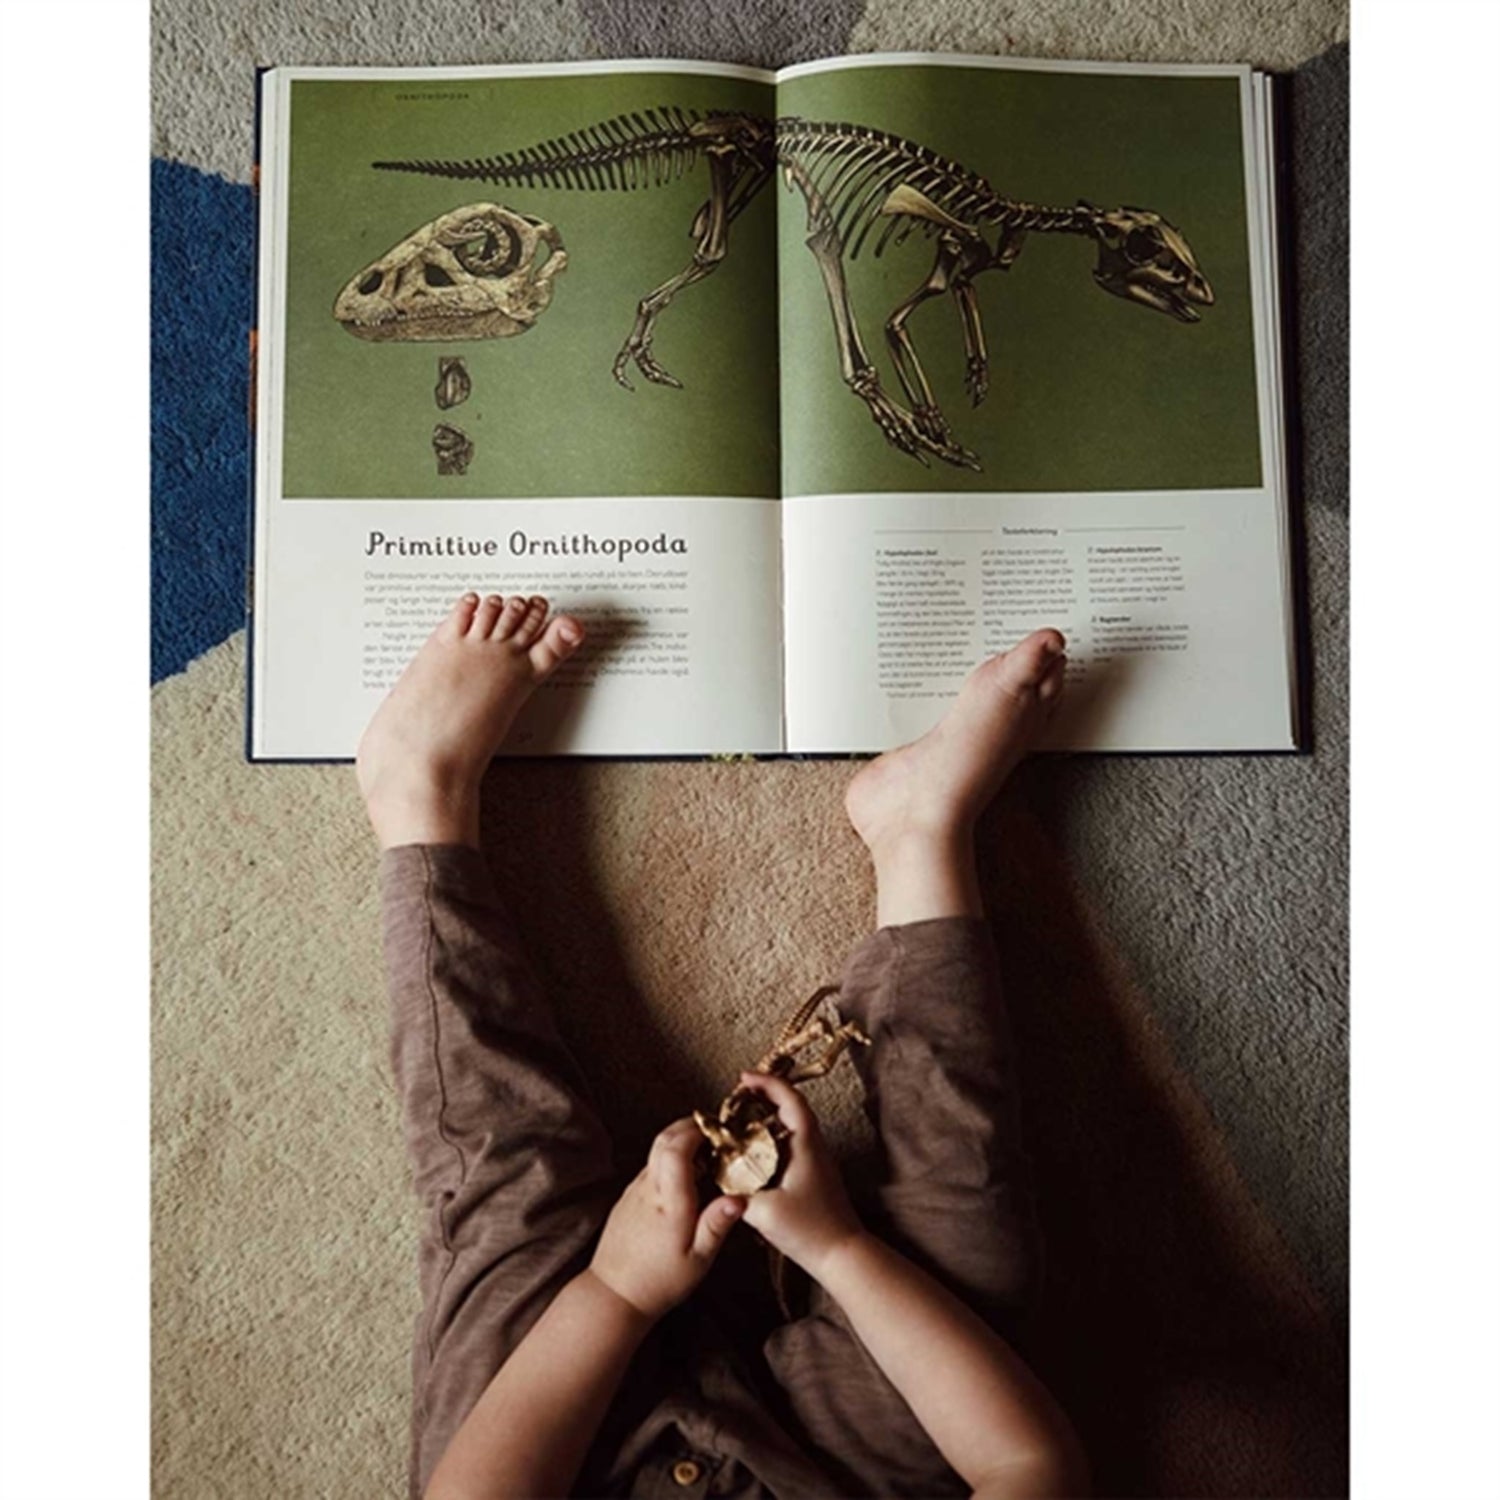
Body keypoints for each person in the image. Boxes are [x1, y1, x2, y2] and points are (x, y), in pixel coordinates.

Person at [357, 589, 1088, 1499]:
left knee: (509, 1181)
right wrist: (838, 1248)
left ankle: (419, 796)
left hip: (577, 1459)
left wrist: (615, 1291)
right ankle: (919, 835)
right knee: (970, 1238)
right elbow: (1030, 1465)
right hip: (835, 1471)